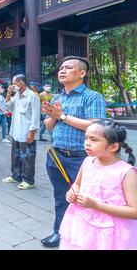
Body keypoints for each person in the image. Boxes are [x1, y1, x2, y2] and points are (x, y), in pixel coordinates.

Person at [41, 56, 107, 248]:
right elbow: (50, 126)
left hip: (82, 158)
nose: (62, 71)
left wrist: (61, 115)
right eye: (61, 68)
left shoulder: (92, 96)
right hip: (56, 154)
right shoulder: (57, 98)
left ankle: (87, 237)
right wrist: (52, 116)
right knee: (61, 197)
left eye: (68, 68)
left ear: (82, 73)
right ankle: (59, 233)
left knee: (85, 198)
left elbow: (96, 126)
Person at [59, 120, 137, 249]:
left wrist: (95, 205)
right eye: (86, 138)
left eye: (94, 140)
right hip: (82, 226)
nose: (87, 143)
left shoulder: (126, 173)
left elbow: (134, 211)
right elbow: (77, 184)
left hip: (110, 232)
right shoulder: (88, 161)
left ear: (113, 147)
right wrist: (72, 192)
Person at [2, 74, 40, 190]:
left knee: (27, 156)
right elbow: (7, 107)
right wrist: (8, 94)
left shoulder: (32, 96)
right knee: (15, 155)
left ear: (21, 83)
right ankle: (16, 176)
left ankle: (29, 181)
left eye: (14, 83)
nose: (12, 86)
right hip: (16, 131)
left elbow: (35, 115)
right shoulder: (17, 96)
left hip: (26, 131)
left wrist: (32, 132)